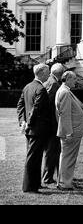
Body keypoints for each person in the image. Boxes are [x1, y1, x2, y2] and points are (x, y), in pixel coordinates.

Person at [17, 63, 51, 193]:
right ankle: (28, 187)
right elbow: (36, 110)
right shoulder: (40, 89)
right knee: (33, 158)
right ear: (41, 72)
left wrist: (23, 122)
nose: (48, 75)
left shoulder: (27, 87)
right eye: (47, 72)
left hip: (31, 128)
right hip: (36, 129)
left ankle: (35, 184)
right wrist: (28, 124)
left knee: (35, 158)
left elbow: (20, 106)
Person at [55, 71, 83, 191]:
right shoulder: (64, 92)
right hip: (71, 132)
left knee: (68, 157)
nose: (75, 81)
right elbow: (65, 114)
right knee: (68, 158)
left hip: (72, 130)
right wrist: (68, 132)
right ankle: (65, 183)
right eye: (74, 79)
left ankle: (66, 181)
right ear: (67, 79)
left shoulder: (65, 90)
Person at [42, 63, 65, 185]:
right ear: (60, 74)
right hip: (52, 124)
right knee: (53, 151)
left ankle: (58, 174)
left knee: (54, 151)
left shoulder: (48, 81)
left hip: (49, 123)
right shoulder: (54, 83)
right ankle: (48, 177)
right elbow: (50, 104)